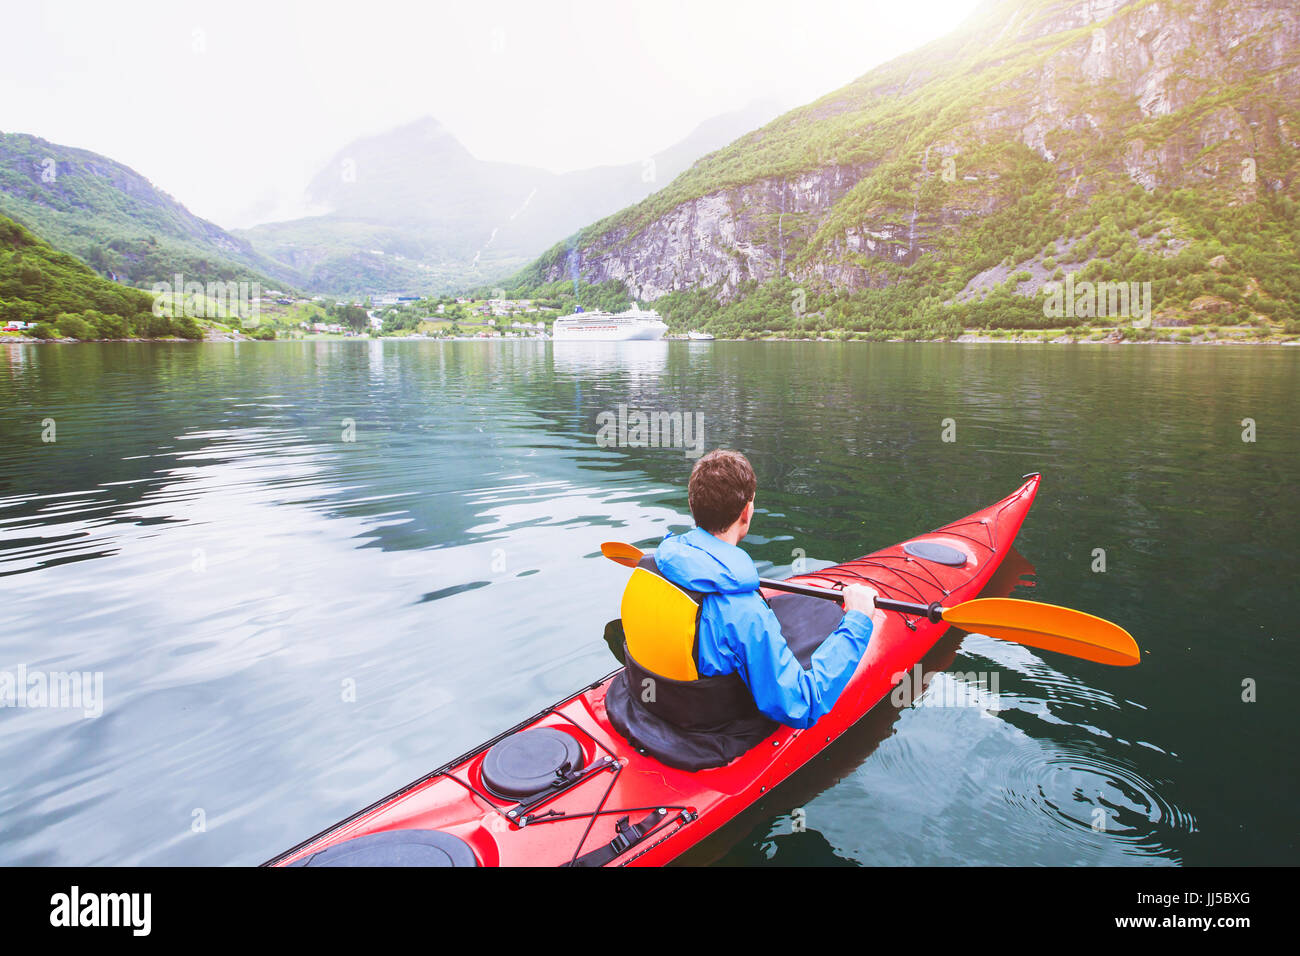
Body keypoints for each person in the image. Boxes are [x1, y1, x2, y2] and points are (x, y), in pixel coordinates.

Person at [605, 449, 879, 771]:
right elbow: (801, 705)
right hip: (704, 734)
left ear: (694, 507)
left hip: (639, 701)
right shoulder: (742, 611)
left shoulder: (648, 567)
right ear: (746, 512)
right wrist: (858, 620)